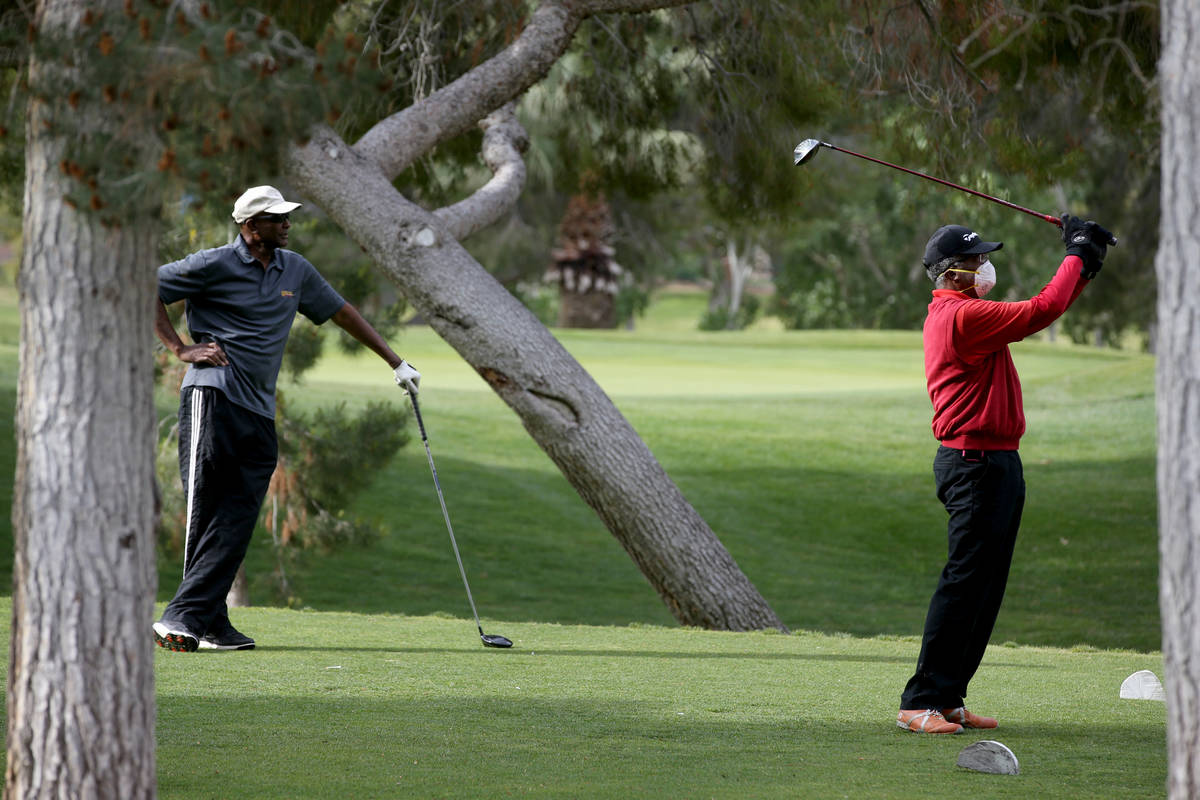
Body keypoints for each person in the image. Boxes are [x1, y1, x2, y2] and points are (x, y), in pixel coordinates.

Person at [152, 185, 422, 652]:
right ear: (250, 226)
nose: (287, 224)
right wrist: (180, 348)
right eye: (277, 218)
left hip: (258, 409)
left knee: (238, 515)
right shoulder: (212, 263)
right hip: (210, 398)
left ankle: (208, 622)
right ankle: (183, 618)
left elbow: (342, 312)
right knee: (206, 506)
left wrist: (396, 362)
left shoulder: (294, 269)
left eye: (287, 216)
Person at [896, 215, 1111, 733]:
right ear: (951, 273)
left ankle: (948, 695)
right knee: (964, 582)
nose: (985, 267)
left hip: (996, 462)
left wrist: (1084, 264)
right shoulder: (960, 318)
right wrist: (1077, 254)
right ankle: (917, 702)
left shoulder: (968, 311)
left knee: (985, 586)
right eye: (975, 261)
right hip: (973, 464)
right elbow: (1043, 309)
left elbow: (1050, 305)